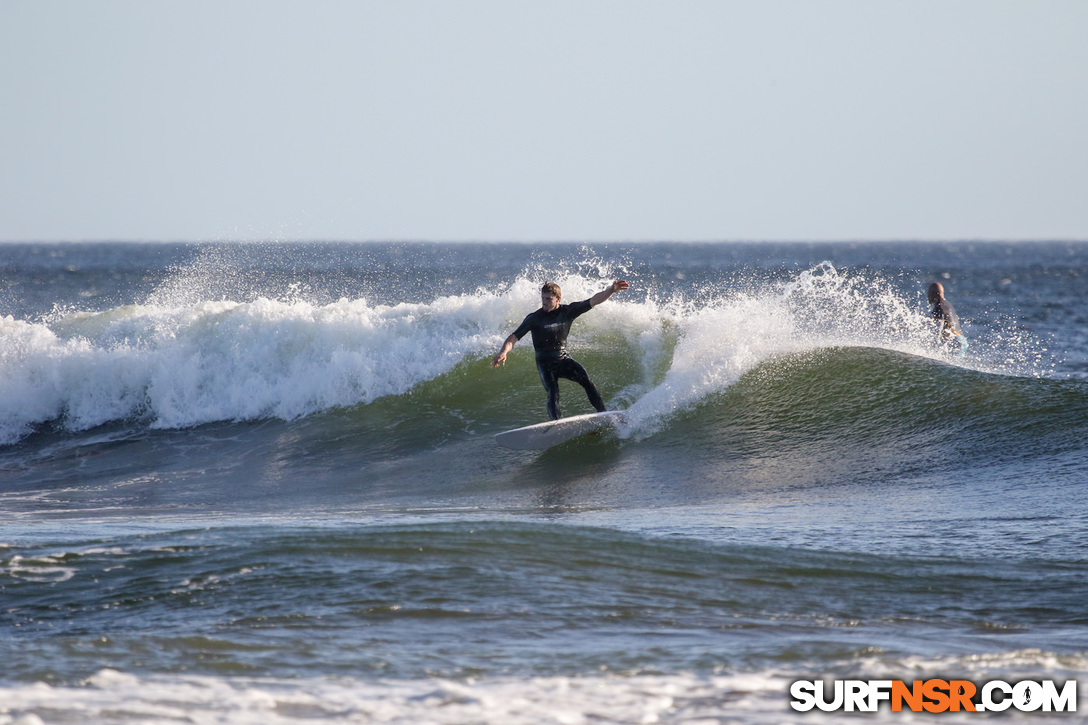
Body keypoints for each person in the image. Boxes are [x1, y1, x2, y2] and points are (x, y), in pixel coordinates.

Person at [493, 280, 629, 420]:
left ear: (558, 299)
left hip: (563, 358)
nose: (544, 302)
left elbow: (593, 300)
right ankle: (556, 424)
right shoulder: (534, 318)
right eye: (542, 298)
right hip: (545, 363)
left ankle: (603, 414)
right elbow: (514, 337)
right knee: (553, 392)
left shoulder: (567, 311)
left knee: (586, 380)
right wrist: (504, 352)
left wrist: (611, 290)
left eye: (548, 299)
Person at [928, 282, 967, 350]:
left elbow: (939, 326)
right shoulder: (947, 304)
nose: (928, 296)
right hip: (962, 340)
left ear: (932, 294)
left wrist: (933, 346)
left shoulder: (939, 306)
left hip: (955, 342)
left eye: (929, 294)